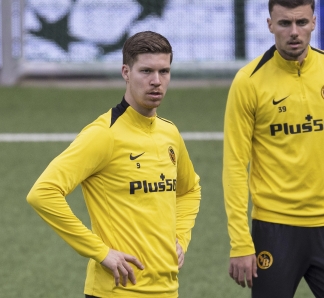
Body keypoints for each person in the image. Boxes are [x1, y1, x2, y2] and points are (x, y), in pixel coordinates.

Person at [27, 31, 202, 298]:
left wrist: (181, 238)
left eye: (164, 71)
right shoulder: (103, 134)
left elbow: (190, 190)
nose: (156, 81)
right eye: (146, 71)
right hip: (115, 291)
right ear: (126, 72)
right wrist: (100, 252)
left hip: (167, 290)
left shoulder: (170, 133)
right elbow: (43, 194)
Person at [222, 1, 324, 297]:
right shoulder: (248, 82)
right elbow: (234, 166)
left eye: (301, 23)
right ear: (270, 24)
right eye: (284, 24)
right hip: (274, 227)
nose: (294, 32)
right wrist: (240, 240)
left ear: (314, 22)